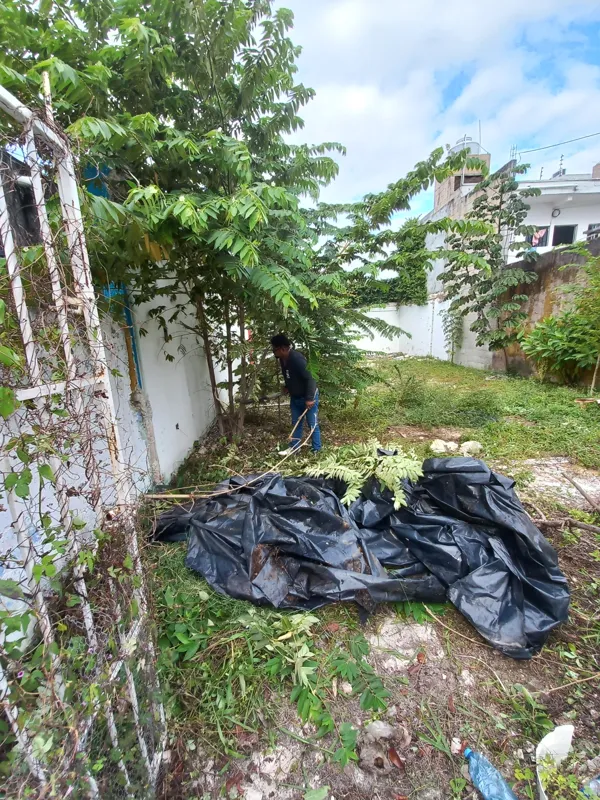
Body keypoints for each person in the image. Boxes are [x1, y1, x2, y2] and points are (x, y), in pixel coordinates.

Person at [271, 334, 321, 454]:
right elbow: (291, 375)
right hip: (296, 398)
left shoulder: (297, 359)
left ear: (282, 348)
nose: (274, 352)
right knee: (295, 423)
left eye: (274, 349)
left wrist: (309, 399)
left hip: (308, 398)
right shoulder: (283, 360)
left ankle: (317, 450)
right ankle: (294, 448)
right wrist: (288, 386)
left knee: (312, 425)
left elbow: (311, 379)